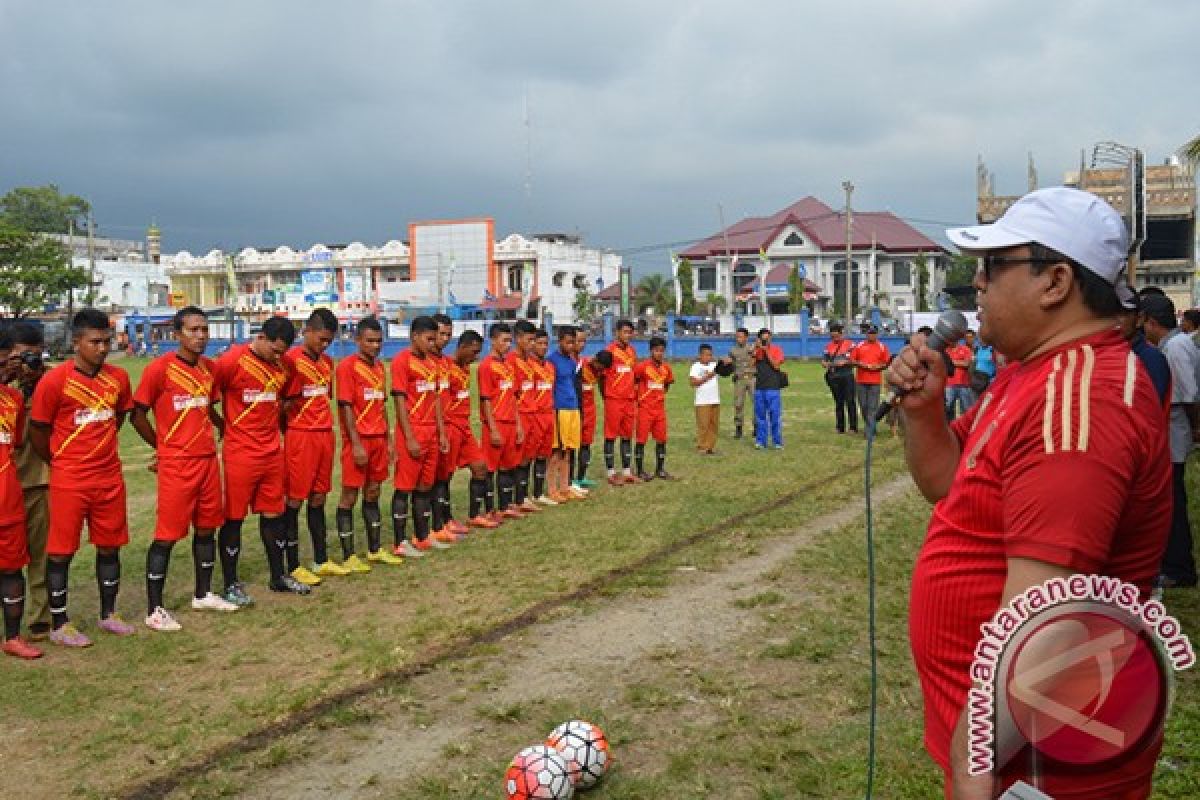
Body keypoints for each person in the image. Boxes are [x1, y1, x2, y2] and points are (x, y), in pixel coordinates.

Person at [890, 186, 1171, 798]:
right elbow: (948, 483)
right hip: (1016, 745)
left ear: (1056, 282)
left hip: (1040, 761)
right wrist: (923, 412)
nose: (977, 284)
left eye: (993, 266)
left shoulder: (1080, 406)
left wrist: (973, 772)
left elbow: (1045, 628)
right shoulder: (1032, 373)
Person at [29, 309, 137, 646]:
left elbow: (118, 416)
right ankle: (60, 623)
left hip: (109, 478)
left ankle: (109, 614)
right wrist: (62, 460)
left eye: (106, 341)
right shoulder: (55, 380)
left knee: (110, 546)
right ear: (77, 343)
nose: (103, 348)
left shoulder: (118, 377)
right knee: (61, 552)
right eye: (95, 342)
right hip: (70, 479)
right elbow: (38, 430)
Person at [131, 307, 238, 632]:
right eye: (193, 330)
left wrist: (224, 426)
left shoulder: (209, 369)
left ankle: (203, 593)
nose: (201, 336)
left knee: (207, 528)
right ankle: (154, 609)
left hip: (207, 461)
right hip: (177, 464)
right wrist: (161, 447)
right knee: (167, 535)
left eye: (204, 329)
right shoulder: (158, 370)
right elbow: (137, 415)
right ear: (177, 334)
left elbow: (204, 407)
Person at [212, 315, 307, 602]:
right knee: (234, 518)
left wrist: (274, 419)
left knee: (273, 514)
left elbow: (290, 396)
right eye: (275, 350)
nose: (279, 356)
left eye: (283, 352)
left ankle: (278, 576)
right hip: (240, 454)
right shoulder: (231, 361)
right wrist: (224, 426)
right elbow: (205, 399)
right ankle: (231, 582)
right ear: (261, 337)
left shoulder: (286, 366)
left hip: (271, 452)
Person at [281, 308, 349, 586]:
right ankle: (293, 564)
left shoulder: (327, 363)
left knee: (319, 497)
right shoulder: (289, 361)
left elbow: (324, 398)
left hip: (324, 435)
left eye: (329, 341)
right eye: (321, 339)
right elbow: (281, 403)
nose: (324, 345)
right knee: (294, 499)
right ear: (307, 331)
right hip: (301, 436)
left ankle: (321, 560)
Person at [1141, 293, 1199, 589]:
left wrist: (1195, 427)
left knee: (1174, 503)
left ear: (1151, 322)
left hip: (1176, 431)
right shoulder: (1176, 344)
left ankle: (1179, 567)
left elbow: (1188, 394)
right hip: (1176, 428)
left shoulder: (1175, 347)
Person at [333, 316, 394, 571]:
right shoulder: (347, 367)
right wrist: (355, 443)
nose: (375, 346)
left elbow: (381, 405)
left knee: (373, 492)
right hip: (358, 441)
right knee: (349, 495)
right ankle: (348, 556)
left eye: (379, 341)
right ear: (358, 340)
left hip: (379, 439)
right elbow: (345, 406)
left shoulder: (380, 368)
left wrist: (389, 439)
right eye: (369, 341)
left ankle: (374, 549)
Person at [391, 315, 450, 555]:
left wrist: (441, 432)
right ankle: (399, 542)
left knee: (426, 485)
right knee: (405, 487)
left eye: (435, 339)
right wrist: (409, 437)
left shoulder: (432, 364)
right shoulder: (401, 362)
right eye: (429, 339)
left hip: (431, 432)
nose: (433, 343)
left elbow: (435, 400)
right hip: (413, 430)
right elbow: (399, 400)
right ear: (414, 336)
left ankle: (422, 536)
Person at [7, 322, 51, 642]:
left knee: (42, 554)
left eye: (34, 357)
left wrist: (37, 384)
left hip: (38, 480)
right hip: (6, 481)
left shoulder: (51, 381)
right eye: (21, 357)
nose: (27, 365)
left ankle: (41, 617)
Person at [0, 332, 41, 658]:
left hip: (17, 493)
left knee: (19, 567)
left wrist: (31, 386)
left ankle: (21, 632)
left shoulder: (14, 400)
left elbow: (17, 440)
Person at [440, 329, 497, 529]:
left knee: (480, 467)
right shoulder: (445, 366)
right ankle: (445, 521)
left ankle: (474, 515)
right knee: (445, 476)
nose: (476, 357)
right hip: (450, 426)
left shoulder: (465, 367)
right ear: (462, 347)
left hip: (465, 427)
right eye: (473, 352)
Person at [429, 314, 469, 543]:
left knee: (445, 476)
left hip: (448, 427)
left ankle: (445, 519)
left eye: (447, 335)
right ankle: (434, 525)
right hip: (429, 428)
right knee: (431, 480)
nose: (443, 339)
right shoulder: (425, 362)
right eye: (439, 334)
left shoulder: (446, 364)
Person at [478, 322, 523, 522]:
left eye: (510, 341)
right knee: (490, 468)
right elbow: (485, 399)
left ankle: (505, 505)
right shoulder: (486, 366)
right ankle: (489, 510)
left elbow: (513, 397)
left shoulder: (508, 365)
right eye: (504, 340)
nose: (508, 345)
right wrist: (493, 428)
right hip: (495, 424)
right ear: (493, 340)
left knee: (507, 466)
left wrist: (519, 424)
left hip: (511, 423)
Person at [547, 325, 586, 502]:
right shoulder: (552, 361)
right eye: (568, 342)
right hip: (560, 409)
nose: (571, 346)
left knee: (569, 450)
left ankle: (565, 487)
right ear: (560, 341)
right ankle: (552, 489)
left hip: (573, 409)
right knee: (557, 451)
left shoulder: (571, 362)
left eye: (573, 342)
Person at [509, 320, 543, 512]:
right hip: (519, 415)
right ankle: (514, 499)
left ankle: (522, 497)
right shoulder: (511, 362)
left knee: (528, 457)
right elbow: (512, 395)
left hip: (533, 414)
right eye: (529, 340)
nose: (532, 344)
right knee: (516, 458)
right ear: (518, 339)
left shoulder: (530, 362)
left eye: (533, 340)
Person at [602, 319, 639, 485]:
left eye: (630, 332)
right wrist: (608, 396)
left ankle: (626, 471)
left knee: (626, 435)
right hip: (614, 400)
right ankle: (610, 472)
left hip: (629, 400)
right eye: (624, 332)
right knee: (610, 435)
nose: (627, 335)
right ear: (617, 332)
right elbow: (602, 378)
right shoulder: (609, 351)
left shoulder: (632, 351)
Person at [634, 336, 675, 480]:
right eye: (657, 350)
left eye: (662, 351)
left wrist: (660, 394)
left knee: (661, 439)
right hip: (645, 409)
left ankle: (660, 469)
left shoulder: (666, 368)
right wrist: (640, 397)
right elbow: (634, 381)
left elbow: (668, 383)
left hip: (659, 410)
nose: (659, 353)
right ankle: (640, 470)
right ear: (651, 350)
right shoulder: (642, 367)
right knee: (641, 440)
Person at [527, 329, 559, 505]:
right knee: (529, 455)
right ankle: (524, 495)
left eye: (546, 344)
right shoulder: (528, 366)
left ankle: (539, 493)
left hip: (548, 413)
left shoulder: (549, 367)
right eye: (539, 343)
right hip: (534, 414)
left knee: (543, 454)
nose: (543, 347)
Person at [571, 331, 603, 491]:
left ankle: (581, 477)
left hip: (590, 409)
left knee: (586, 443)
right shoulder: (571, 363)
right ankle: (569, 481)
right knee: (570, 444)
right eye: (578, 341)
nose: (581, 344)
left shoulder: (591, 364)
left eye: (584, 341)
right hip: (573, 408)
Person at [850, 324, 889, 434]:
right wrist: (861, 364)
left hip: (875, 381)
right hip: (861, 380)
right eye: (869, 333)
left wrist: (878, 367)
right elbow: (852, 360)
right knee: (863, 405)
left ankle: (869, 430)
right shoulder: (860, 346)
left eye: (873, 333)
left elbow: (886, 363)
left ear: (877, 334)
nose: (871, 335)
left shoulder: (882, 347)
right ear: (866, 334)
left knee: (872, 406)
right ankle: (870, 426)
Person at [752, 328, 785, 450]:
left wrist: (766, 351)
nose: (766, 341)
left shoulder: (777, 349)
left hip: (773, 387)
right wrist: (756, 350)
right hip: (760, 387)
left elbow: (776, 365)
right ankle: (761, 441)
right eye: (763, 339)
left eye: (768, 338)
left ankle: (777, 442)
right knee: (760, 416)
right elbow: (751, 365)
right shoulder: (757, 350)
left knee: (774, 416)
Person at [822, 323, 857, 434]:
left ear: (841, 334)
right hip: (834, 376)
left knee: (850, 401)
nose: (834, 339)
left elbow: (854, 360)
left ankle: (853, 427)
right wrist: (825, 363)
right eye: (832, 337)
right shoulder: (828, 346)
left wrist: (845, 362)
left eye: (836, 336)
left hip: (847, 375)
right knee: (838, 402)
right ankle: (840, 427)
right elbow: (824, 360)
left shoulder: (850, 345)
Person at [690, 343, 720, 455]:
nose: (709, 357)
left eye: (710, 355)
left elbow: (725, 371)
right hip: (702, 401)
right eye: (706, 355)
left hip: (715, 399)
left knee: (713, 424)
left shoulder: (714, 365)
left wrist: (727, 363)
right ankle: (702, 446)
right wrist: (707, 377)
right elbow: (692, 382)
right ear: (700, 355)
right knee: (703, 425)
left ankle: (710, 446)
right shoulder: (696, 366)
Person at [727, 327, 756, 439]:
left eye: (741, 336)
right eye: (737, 336)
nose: (738, 339)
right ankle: (738, 428)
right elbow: (729, 366)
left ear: (746, 337)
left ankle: (756, 427)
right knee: (738, 404)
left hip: (752, 378)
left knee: (756, 403)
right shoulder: (732, 351)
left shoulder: (752, 348)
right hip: (739, 379)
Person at [943, 333, 973, 419]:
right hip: (949, 385)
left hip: (964, 385)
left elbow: (967, 363)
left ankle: (966, 430)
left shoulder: (965, 349)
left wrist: (950, 362)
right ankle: (950, 429)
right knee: (948, 409)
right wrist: (959, 361)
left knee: (967, 410)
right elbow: (942, 363)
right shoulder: (945, 351)